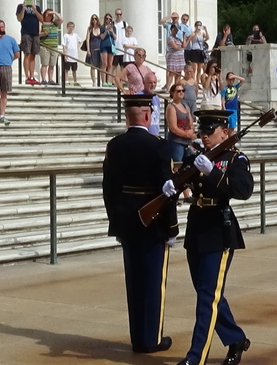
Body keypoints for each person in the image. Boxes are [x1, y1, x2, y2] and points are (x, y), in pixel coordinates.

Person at [175, 109, 253, 365]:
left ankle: (195, 357)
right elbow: (180, 179)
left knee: (207, 296)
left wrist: (213, 172)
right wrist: (173, 185)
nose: (205, 136)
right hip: (197, 226)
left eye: (211, 131)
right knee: (207, 293)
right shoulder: (197, 156)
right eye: (203, 131)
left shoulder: (235, 159)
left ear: (225, 131)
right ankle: (236, 338)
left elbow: (243, 189)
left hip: (219, 230)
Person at [102, 94, 177, 355]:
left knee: (134, 282)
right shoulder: (159, 145)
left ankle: (137, 338)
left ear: (128, 116)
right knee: (153, 282)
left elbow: (108, 190)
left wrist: (116, 223)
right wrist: (171, 228)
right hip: (153, 224)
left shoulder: (115, 145)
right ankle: (151, 339)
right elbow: (166, 192)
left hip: (127, 223)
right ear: (147, 115)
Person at [0, 20, 20, 126]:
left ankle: (2, 115)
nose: (1, 29)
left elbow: (17, 54)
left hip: (7, 67)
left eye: (2, 27)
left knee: (4, 92)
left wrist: (9, 60)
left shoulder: (11, 40)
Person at [166, 84, 196, 168]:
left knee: (188, 166)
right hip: (176, 142)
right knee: (177, 166)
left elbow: (191, 123)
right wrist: (187, 134)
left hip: (187, 143)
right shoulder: (171, 107)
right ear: (172, 93)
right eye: (178, 91)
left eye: (183, 91)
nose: (181, 92)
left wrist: (191, 130)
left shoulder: (185, 106)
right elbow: (173, 128)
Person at [16, 0, 44, 85]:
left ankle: (32, 76)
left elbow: (42, 19)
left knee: (33, 55)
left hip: (35, 33)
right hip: (26, 33)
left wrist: (35, 10)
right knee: (27, 54)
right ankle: (27, 76)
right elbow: (19, 18)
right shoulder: (20, 6)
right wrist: (23, 9)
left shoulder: (37, 7)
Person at [38, 9, 63, 85]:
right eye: (48, 14)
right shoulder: (41, 23)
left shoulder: (54, 23)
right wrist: (44, 34)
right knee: (44, 63)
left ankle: (51, 79)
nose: (49, 16)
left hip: (54, 46)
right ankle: (43, 79)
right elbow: (38, 33)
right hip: (45, 46)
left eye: (50, 15)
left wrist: (55, 12)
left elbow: (61, 20)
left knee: (52, 64)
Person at [137, 73, 161, 137]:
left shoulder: (156, 98)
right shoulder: (138, 97)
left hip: (155, 135)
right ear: (144, 82)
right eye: (150, 82)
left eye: (154, 82)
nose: (153, 85)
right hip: (143, 136)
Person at [166, 24, 187, 92]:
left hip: (180, 57)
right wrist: (182, 48)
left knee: (178, 73)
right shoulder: (170, 38)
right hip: (173, 56)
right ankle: (168, 87)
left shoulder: (178, 38)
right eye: (175, 29)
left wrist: (184, 37)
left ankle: (176, 87)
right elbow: (175, 47)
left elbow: (184, 45)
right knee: (172, 73)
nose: (177, 31)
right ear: (172, 29)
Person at [99, 13, 117, 87]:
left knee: (110, 65)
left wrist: (112, 31)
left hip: (111, 46)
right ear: (104, 19)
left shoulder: (114, 27)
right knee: (104, 64)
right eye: (107, 18)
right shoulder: (102, 27)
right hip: (104, 46)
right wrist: (106, 30)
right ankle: (103, 81)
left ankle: (108, 81)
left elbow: (115, 37)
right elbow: (102, 37)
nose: (108, 20)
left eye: (110, 19)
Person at [62, 21, 82, 86]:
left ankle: (75, 81)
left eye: (72, 26)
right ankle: (66, 81)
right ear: (67, 27)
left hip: (74, 55)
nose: (71, 28)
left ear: (74, 27)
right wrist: (65, 55)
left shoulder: (75, 35)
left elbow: (80, 41)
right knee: (66, 69)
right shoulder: (65, 35)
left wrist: (77, 47)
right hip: (68, 54)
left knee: (74, 69)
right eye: (69, 26)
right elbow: (64, 45)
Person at [85, 14, 102, 87]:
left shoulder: (101, 28)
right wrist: (88, 50)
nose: (94, 20)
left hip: (100, 49)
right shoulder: (90, 29)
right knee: (93, 66)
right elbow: (87, 39)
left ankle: (101, 80)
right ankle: (94, 81)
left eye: (95, 19)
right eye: (93, 19)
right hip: (92, 49)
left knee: (101, 66)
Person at [111, 9, 128, 75]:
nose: (118, 16)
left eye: (120, 14)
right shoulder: (112, 23)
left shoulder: (125, 24)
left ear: (122, 15)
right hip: (115, 48)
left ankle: (123, 81)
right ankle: (114, 81)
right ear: (115, 14)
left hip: (123, 49)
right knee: (114, 66)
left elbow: (127, 34)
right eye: (117, 14)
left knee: (123, 67)